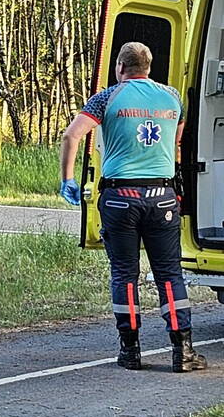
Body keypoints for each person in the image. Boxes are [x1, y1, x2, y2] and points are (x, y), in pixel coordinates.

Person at [60, 42, 206, 373]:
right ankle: (182, 351)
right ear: (149, 67)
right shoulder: (172, 98)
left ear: (120, 67)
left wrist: (67, 179)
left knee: (125, 275)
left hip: (119, 197)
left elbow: (72, 136)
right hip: (162, 197)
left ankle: (130, 351)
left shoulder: (106, 98)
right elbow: (176, 145)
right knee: (169, 274)